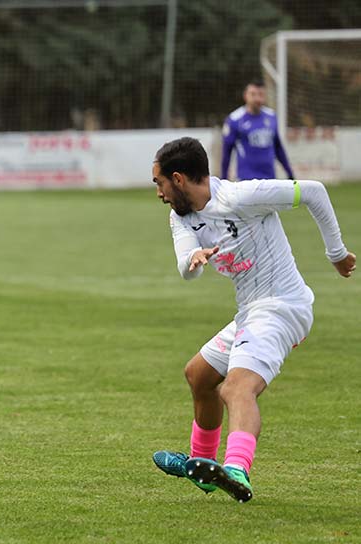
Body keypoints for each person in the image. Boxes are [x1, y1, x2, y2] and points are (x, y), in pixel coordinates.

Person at [150, 137, 354, 502]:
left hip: (282, 306)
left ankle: (237, 471)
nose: (160, 193)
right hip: (250, 311)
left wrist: (336, 253)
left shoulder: (243, 197)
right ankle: (204, 466)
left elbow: (314, 192)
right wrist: (194, 258)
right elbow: (187, 267)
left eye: (160, 183)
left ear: (178, 179)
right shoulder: (181, 217)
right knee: (198, 376)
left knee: (236, 388)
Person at [221, 79, 295, 181]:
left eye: (261, 94)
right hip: (246, 181)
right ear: (245, 95)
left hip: (270, 179)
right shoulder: (235, 119)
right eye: (253, 94)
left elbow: (278, 148)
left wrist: (290, 173)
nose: (257, 98)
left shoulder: (271, 116)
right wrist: (223, 179)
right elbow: (226, 152)